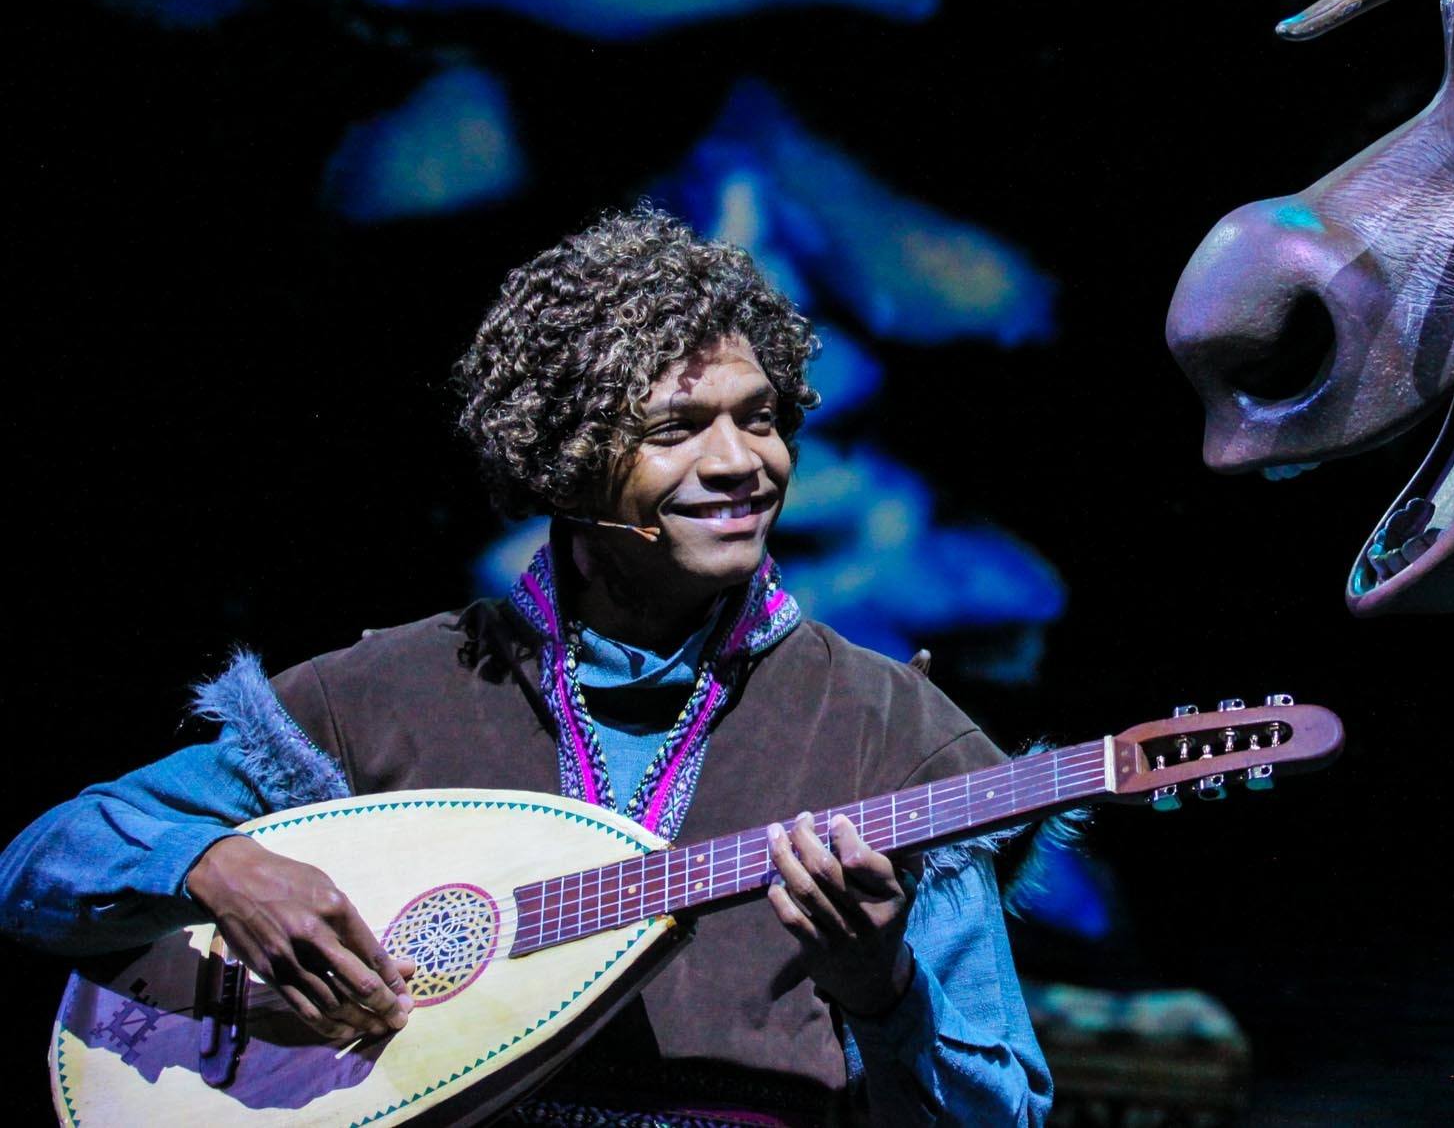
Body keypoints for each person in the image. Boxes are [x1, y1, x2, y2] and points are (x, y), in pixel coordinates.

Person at [0, 208, 1052, 1124]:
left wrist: (882, 991)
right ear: (561, 458)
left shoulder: (890, 728)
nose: (741, 461)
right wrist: (215, 865)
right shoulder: (381, 695)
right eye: (677, 428)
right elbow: (38, 868)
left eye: (761, 416)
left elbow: (1002, 1110)